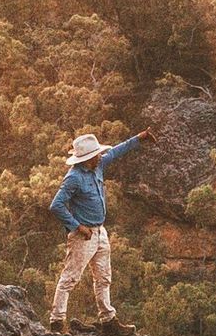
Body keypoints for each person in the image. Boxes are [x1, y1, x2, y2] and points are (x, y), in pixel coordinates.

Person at [48, 125, 148, 322]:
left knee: (103, 277)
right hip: (83, 235)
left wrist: (139, 138)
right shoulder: (73, 178)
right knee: (70, 278)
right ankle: (57, 320)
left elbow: (117, 151)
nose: (100, 156)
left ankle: (108, 319)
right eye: (96, 154)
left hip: (100, 232)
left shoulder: (98, 165)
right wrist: (77, 226)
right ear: (86, 158)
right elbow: (56, 205)